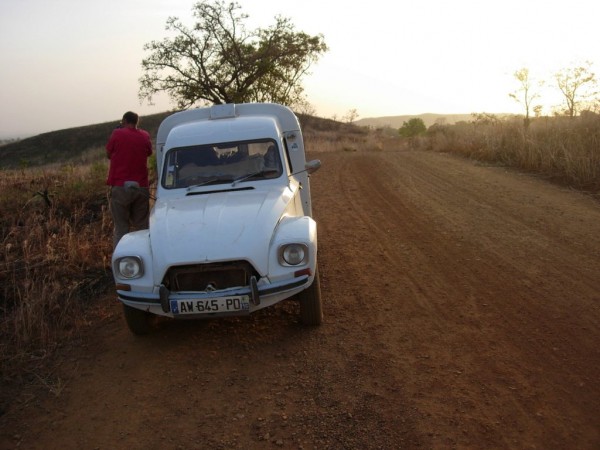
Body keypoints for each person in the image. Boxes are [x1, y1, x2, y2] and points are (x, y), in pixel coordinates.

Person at [106, 111, 153, 248]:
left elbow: (108, 154)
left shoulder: (117, 134)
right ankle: (145, 254)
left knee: (121, 227)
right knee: (142, 226)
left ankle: (121, 259)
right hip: (141, 186)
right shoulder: (145, 135)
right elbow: (149, 152)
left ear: (124, 120)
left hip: (120, 185)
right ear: (137, 122)